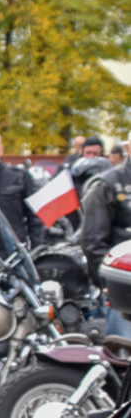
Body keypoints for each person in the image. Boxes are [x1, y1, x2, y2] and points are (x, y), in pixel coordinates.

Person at [80, 132, 131, 338]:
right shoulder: (107, 184)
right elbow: (93, 242)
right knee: (126, 359)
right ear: (128, 148)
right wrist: (110, 281)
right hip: (125, 293)